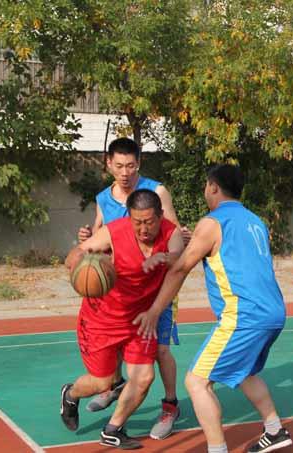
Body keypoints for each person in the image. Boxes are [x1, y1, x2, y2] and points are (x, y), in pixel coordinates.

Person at [134, 165, 292, 453]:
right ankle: (275, 430)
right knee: (245, 372)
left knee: (197, 382)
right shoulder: (255, 221)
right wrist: (169, 255)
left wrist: (155, 310)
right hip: (274, 312)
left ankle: (217, 450)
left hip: (243, 316)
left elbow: (181, 269)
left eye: (206, 186)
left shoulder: (212, 223)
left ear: (213, 187)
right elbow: (226, 255)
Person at [78, 137, 188, 439]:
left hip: (157, 286)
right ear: (109, 164)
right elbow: (99, 237)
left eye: (130, 166)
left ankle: (170, 406)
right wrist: (86, 241)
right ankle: (111, 387)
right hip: (122, 287)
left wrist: (166, 255)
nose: (125, 172)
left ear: (138, 164)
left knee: (160, 350)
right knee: (115, 350)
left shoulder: (156, 191)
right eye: (119, 166)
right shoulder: (104, 197)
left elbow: (173, 233)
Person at [60, 189, 184, 449]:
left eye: (149, 222)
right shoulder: (114, 232)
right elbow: (75, 254)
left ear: (160, 216)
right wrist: (79, 263)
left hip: (141, 320)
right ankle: (70, 394)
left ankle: (113, 429)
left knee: (144, 377)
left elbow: (179, 261)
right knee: (102, 382)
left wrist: (164, 258)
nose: (143, 229)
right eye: (137, 222)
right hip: (101, 320)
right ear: (129, 217)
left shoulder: (170, 233)